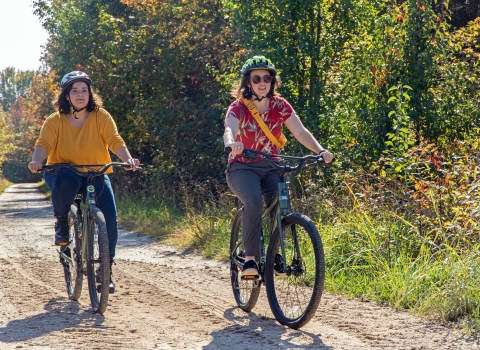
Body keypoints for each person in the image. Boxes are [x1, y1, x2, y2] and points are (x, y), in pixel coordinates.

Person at [28, 71, 140, 293]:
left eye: (84, 90)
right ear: (66, 96)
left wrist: (127, 159)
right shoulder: (55, 120)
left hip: (94, 173)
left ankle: (105, 270)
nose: (80, 94)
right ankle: (61, 222)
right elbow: (44, 144)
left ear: (90, 94)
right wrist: (36, 161)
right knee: (68, 180)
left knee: (109, 219)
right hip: (62, 172)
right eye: (75, 90)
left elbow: (114, 140)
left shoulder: (101, 116)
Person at [223, 56, 333, 276]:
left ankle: (274, 255)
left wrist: (320, 151)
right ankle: (251, 260)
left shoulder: (280, 106)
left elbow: (300, 132)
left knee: (281, 206)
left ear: (273, 81)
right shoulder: (238, 107)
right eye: (256, 79)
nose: (262, 82)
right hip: (242, 167)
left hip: (272, 166)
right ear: (248, 82)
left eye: (267, 78)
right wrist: (231, 143)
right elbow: (229, 129)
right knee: (254, 201)